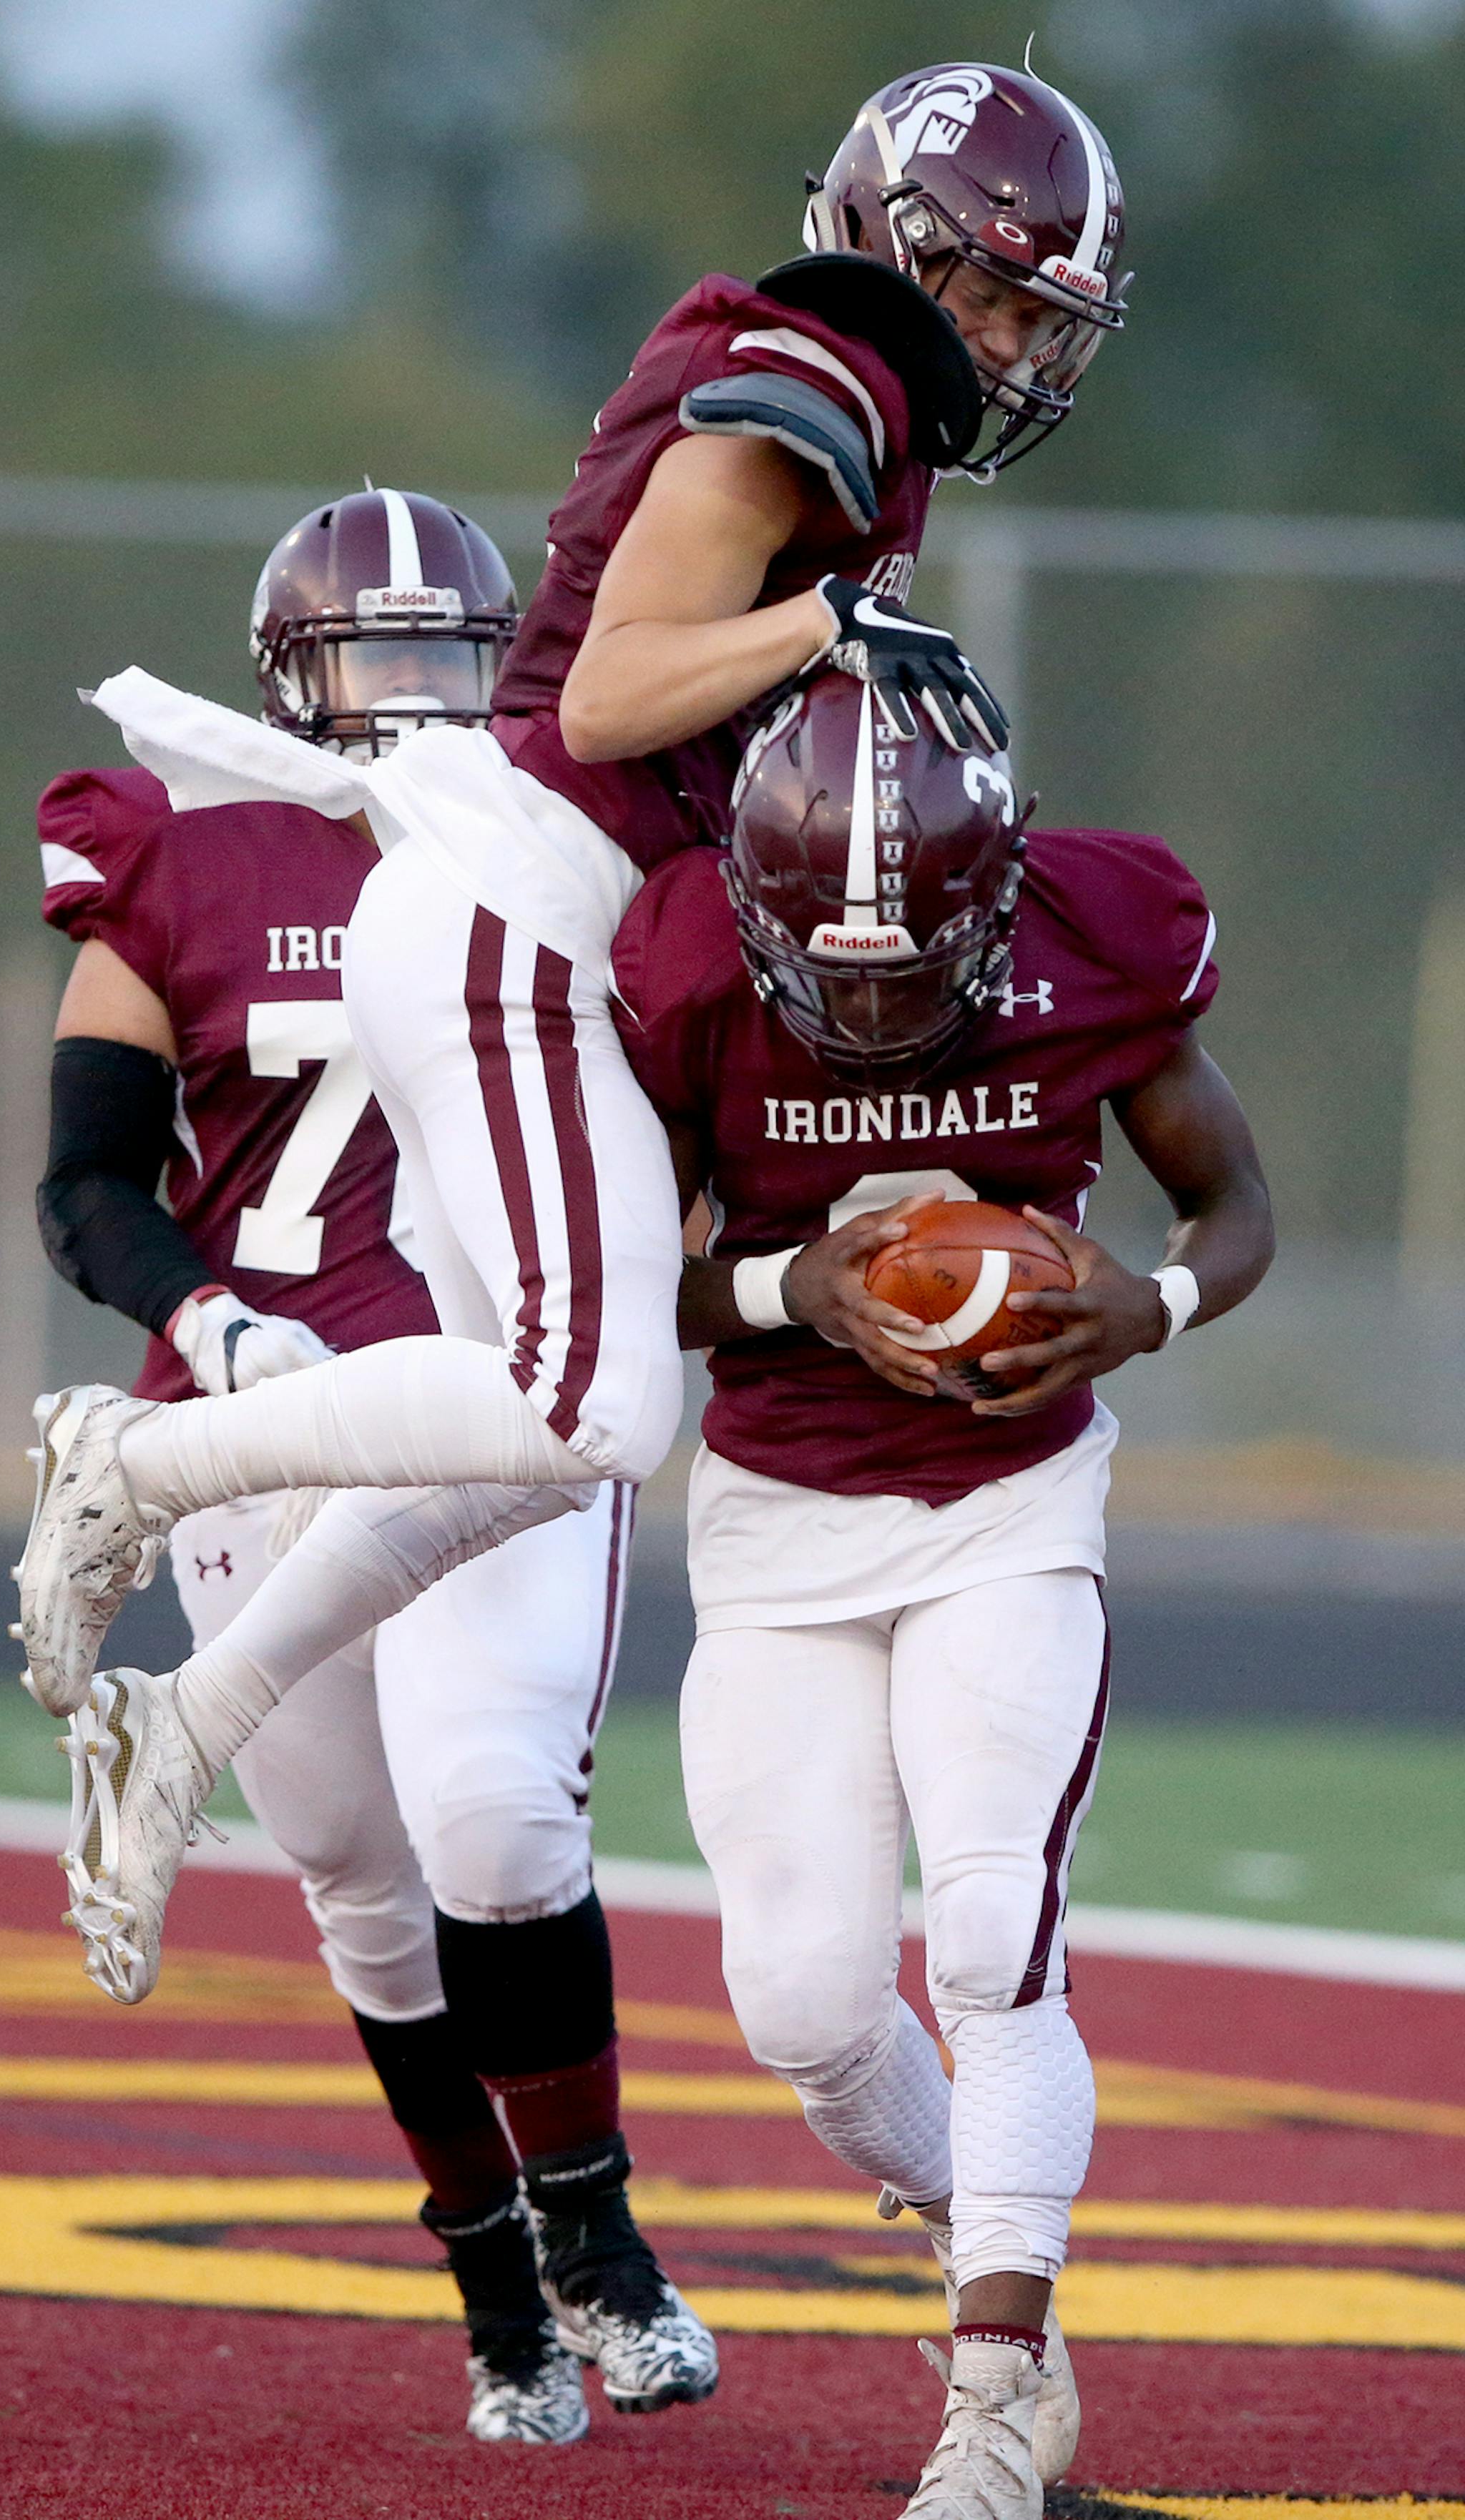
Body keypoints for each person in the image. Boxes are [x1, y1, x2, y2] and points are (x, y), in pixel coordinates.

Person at [13, 63, 1130, 2031]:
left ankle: (187, 1720)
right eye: (1015, 297)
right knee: (594, 1410)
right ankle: (143, 1460)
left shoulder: (859, 403)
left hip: (538, 923)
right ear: (909, 248)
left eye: (1055, 318)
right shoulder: (822, 368)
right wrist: (824, 638)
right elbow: (614, 691)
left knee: (538, 1439)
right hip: (518, 908)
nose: (1031, 347)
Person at [31, 486, 715, 2440]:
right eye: (368, 661)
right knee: (357, 1873)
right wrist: (205, 1322)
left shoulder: (568, 843)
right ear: (288, 677)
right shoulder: (176, 852)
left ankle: (597, 2242)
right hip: (267, 1419)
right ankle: (493, 2275)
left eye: (445, 660)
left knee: (499, 1822)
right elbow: (87, 1176)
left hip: (503, 1399)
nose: (406, 699)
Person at [606, 669, 1274, 2519]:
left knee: (990, 1937)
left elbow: (1232, 1204)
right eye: (843, 969)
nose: (881, 1009)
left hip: (1010, 1500)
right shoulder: (681, 968)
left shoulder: (1098, 935)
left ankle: (991, 2388)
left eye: (923, 966)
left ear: (1007, 886)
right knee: (807, 2006)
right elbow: (617, 1270)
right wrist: (786, 1288)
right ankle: (984, 2239)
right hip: (782, 1512)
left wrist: (1157, 1301)